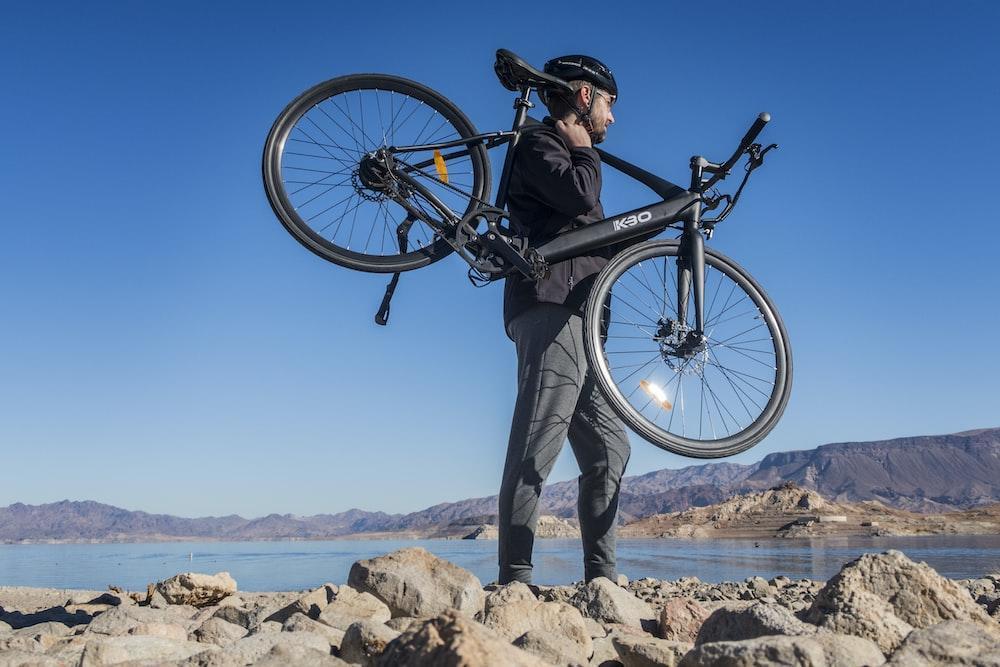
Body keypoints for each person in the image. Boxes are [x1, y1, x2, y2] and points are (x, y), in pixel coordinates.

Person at [498, 54, 631, 585]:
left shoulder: (569, 155)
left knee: (610, 451)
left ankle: (602, 578)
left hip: (582, 319)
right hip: (550, 306)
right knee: (537, 442)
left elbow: (589, 233)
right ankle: (515, 579)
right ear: (584, 97)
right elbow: (578, 194)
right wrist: (580, 146)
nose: (612, 119)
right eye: (609, 105)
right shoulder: (540, 143)